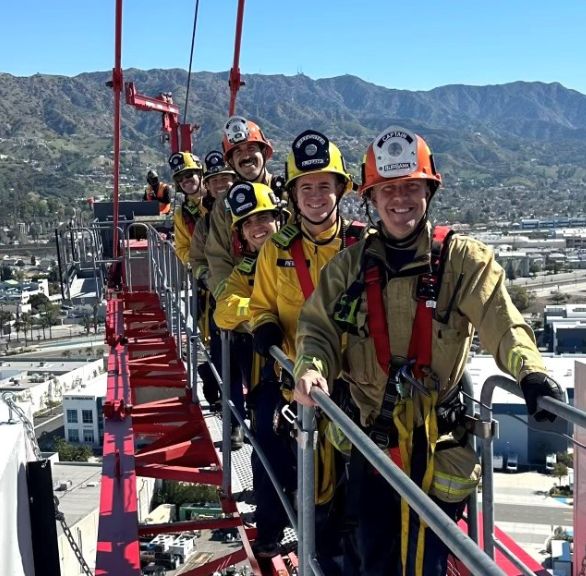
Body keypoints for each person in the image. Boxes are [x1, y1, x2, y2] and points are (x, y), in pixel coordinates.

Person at [293, 125, 565, 576]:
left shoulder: (462, 262)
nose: (401, 200)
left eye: (411, 188)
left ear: (429, 191)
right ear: (372, 200)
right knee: (374, 553)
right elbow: (317, 328)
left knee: (428, 559)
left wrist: (531, 373)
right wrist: (311, 366)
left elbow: (503, 321)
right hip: (371, 442)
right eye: (389, 190)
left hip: (438, 442)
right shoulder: (349, 268)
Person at [249, 130, 362, 568]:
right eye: (306, 187)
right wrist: (265, 326)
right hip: (303, 388)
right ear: (293, 195)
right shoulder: (276, 252)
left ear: (340, 189)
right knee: (317, 485)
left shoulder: (362, 245)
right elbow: (261, 304)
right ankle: (321, 557)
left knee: (358, 485)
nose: (315, 196)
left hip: (356, 389)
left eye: (324, 185)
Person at [213, 181, 285, 475]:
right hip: (273, 369)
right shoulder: (244, 270)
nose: (257, 227)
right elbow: (222, 312)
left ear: (278, 219)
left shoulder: (305, 255)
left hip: (312, 367)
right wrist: (261, 311)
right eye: (248, 222)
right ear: (241, 233)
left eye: (263, 217)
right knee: (267, 438)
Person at [205, 116, 285, 300]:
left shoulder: (288, 193)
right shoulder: (224, 205)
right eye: (238, 152)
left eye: (251, 148)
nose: (246, 156)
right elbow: (218, 259)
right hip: (247, 303)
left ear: (264, 152)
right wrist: (233, 303)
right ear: (231, 162)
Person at [188, 151, 236, 417]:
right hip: (217, 299)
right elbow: (195, 257)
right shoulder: (205, 223)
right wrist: (209, 277)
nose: (221, 185)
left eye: (226, 179)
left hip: (252, 300)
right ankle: (234, 421)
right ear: (207, 185)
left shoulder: (253, 213)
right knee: (222, 357)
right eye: (215, 180)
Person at [168, 152, 205, 265]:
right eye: (180, 178)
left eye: (189, 174)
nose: (185, 180)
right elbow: (182, 248)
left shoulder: (218, 201)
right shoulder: (181, 215)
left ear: (199, 174)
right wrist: (198, 264)